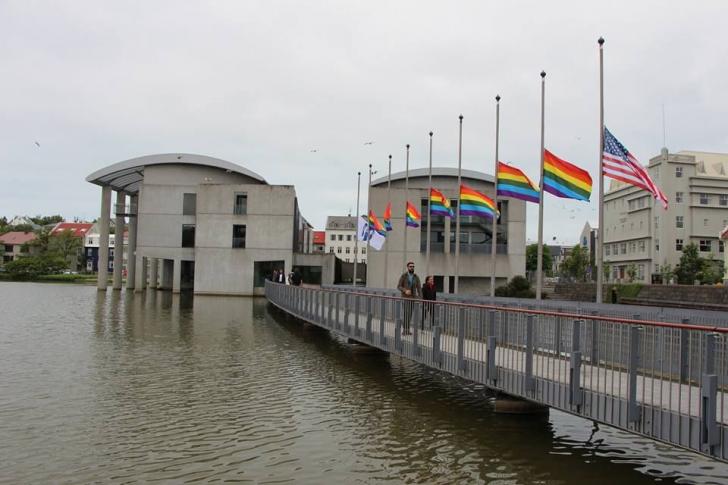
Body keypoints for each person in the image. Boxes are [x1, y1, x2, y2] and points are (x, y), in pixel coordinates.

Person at [397, 261, 421, 335]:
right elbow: (399, 286)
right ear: (407, 267)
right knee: (406, 314)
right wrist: (405, 290)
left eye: (413, 266)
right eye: (410, 266)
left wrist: (421, 298)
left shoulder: (416, 277)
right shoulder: (404, 276)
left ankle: (407, 329)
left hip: (413, 298)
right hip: (405, 298)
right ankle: (405, 330)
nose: (412, 268)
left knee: (410, 314)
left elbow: (419, 288)